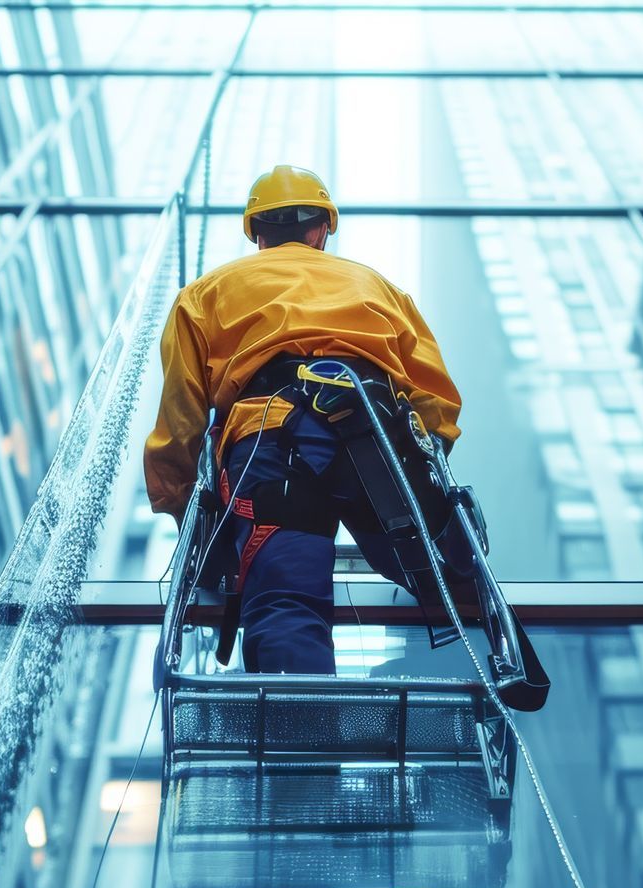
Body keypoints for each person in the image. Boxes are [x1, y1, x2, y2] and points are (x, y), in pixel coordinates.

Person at [145, 165, 465, 674]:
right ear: (322, 229)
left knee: (285, 607)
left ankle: (302, 738)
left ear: (258, 233)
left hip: (269, 443)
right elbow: (434, 400)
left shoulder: (205, 295)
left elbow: (181, 418)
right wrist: (425, 470)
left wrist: (183, 507)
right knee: (437, 577)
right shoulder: (378, 288)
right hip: (376, 437)